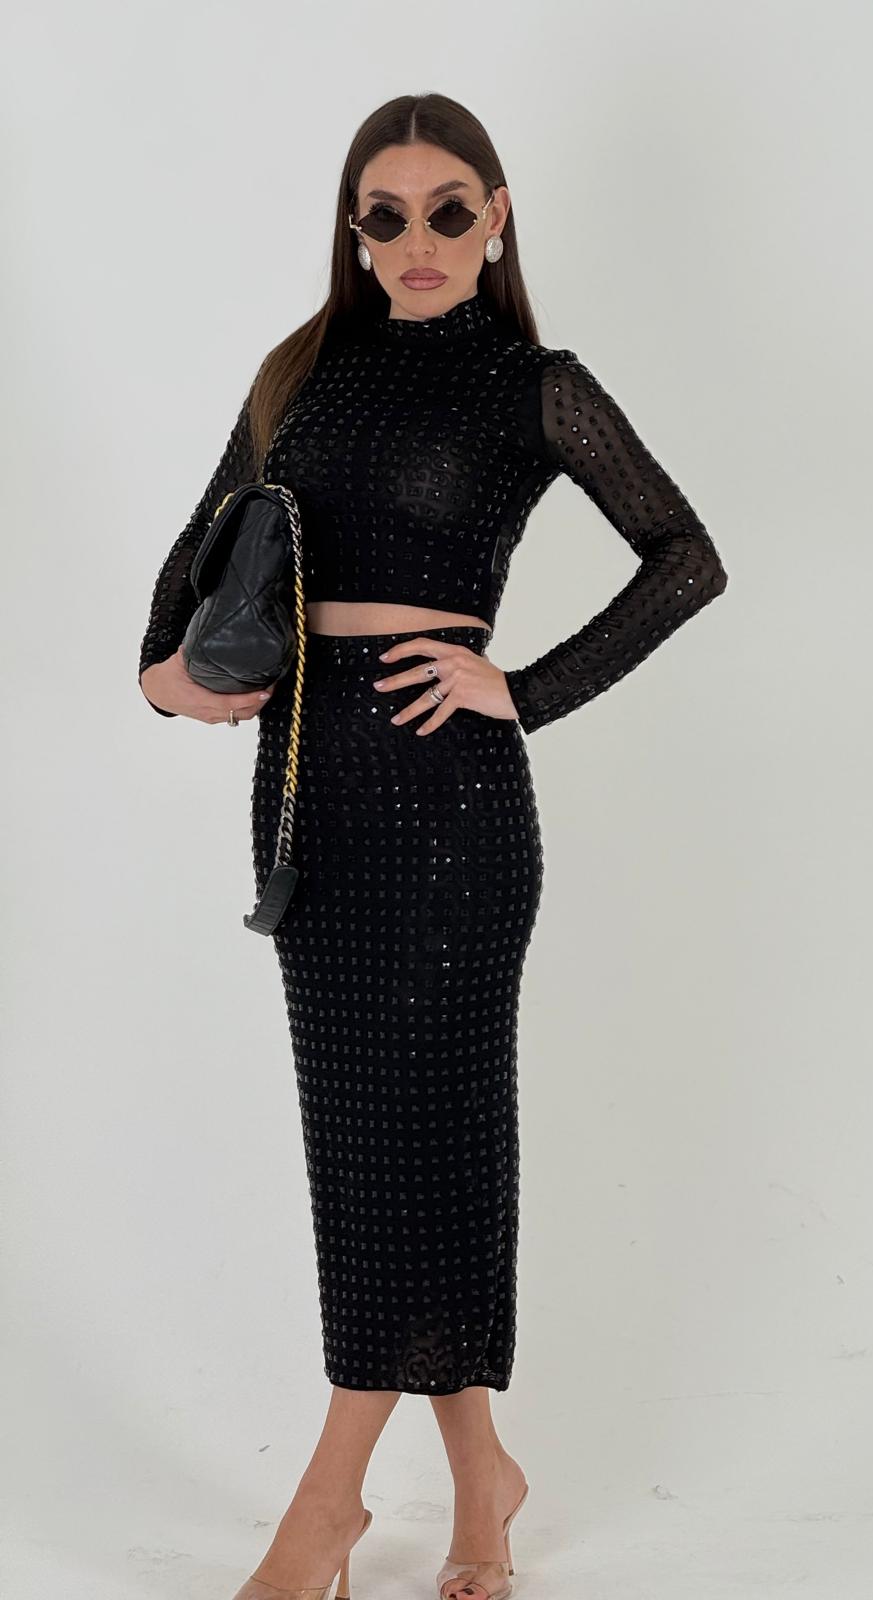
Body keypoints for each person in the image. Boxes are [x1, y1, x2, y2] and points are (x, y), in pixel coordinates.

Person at [137, 92, 728, 1600]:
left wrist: (522, 689)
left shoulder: (537, 387)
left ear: (497, 218)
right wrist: (167, 677)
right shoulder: (301, 375)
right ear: (355, 229)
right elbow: (197, 553)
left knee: (435, 1131)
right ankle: (482, 1479)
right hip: (306, 792)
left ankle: (328, 1502)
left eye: (449, 210)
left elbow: (686, 558)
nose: (418, 239)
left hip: (454, 801)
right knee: (371, 1145)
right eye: (385, 214)